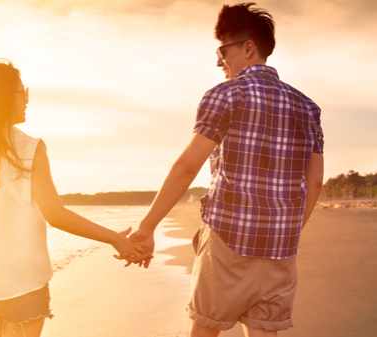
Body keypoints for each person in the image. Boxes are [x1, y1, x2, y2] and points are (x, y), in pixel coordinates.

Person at [128, 3, 324, 337]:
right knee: (264, 331)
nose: (219, 60)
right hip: (280, 249)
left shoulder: (226, 95)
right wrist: (288, 231)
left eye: (223, 50)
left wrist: (147, 227)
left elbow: (187, 166)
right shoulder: (307, 107)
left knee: (205, 328)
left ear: (249, 48)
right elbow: (315, 181)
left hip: (228, 242)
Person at [0, 60, 141, 337]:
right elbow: (56, 214)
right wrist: (115, 238)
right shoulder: (30, 148)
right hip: (22, 283)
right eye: (21, 92)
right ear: (3, 98)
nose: (26, 100)